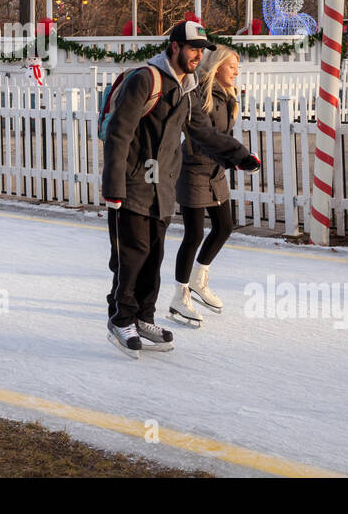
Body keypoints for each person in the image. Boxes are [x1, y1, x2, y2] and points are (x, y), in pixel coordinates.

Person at [101, 20, 260, 357]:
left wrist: (240, 156)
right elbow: (119, 132)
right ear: (174, 47)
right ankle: (121, 318)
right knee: (131, 256)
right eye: (192, 48)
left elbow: (202, 133)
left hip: (163, 187)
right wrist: (113, 186)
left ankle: (144, 317)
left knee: (153, 256)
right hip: (131, 185)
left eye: (201, 50)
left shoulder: (187, 89)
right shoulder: (145, 79)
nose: (197, 55)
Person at [169, 44, 256, 325]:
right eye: (232, 67)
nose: (236, 72)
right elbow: (203, 136)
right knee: (193, 234)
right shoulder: (199, 94)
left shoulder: (227, 95)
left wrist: (231, 160)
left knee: (224, 226)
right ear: (217, 67)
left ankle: (198, 278)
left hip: (214, 170)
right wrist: (237, 156)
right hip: (194, 169)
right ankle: (179, 296)